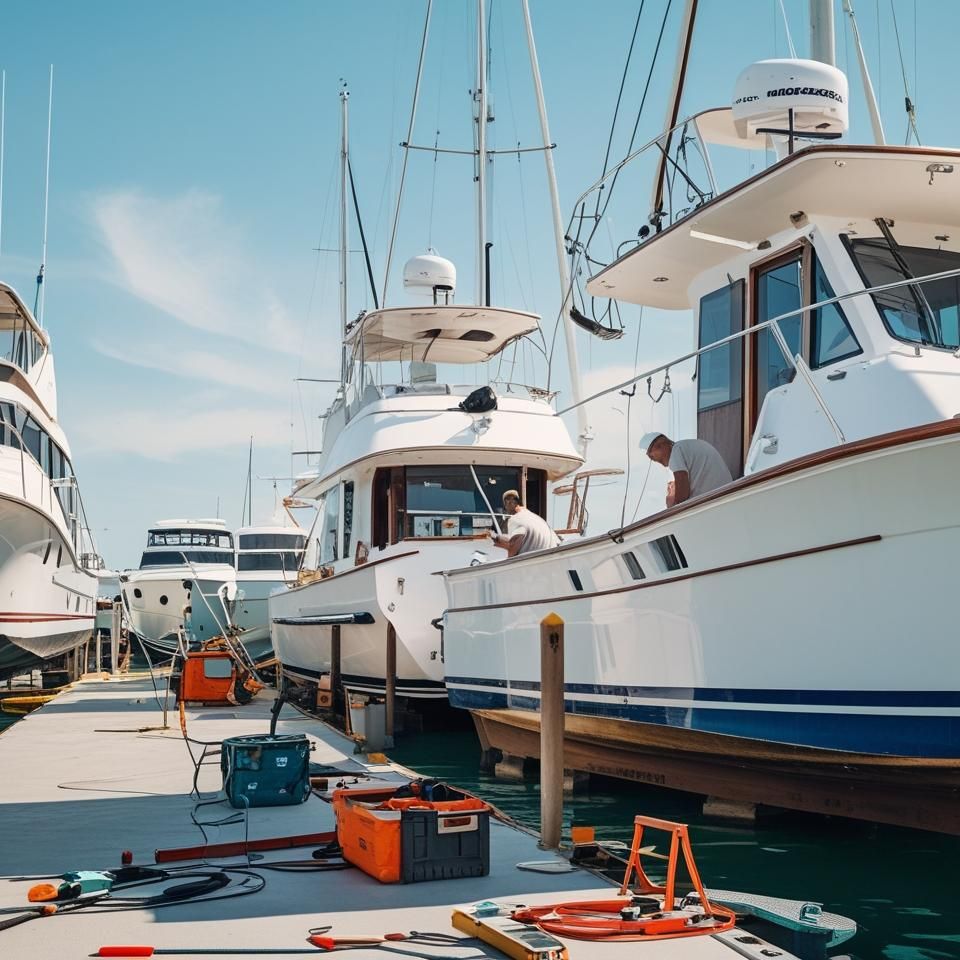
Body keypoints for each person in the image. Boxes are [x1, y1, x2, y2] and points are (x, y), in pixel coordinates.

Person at [639, 432, 732, 507]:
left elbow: (681, 495)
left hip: (712, 502)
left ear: (661, 445)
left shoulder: (676, 451)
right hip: (725, 496)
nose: (652, 459)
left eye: (651, 454)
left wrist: (672, 503)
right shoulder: (687, 446)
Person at [489, 489, 559, 557]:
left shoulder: (515, 519)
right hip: (553, 555)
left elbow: (513, 547)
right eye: (508, 499)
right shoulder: (535, 517)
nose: (510, 502)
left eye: (512, 499)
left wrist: (493, 537)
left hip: (534, 559)